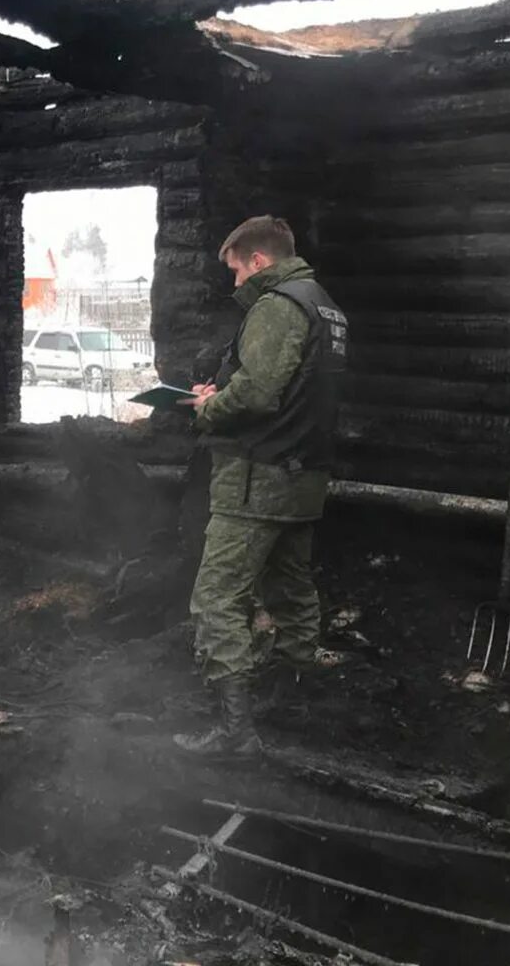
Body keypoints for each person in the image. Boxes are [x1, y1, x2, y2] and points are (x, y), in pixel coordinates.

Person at [174, 215, 348, 757]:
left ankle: (235, 733)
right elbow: (292, 389)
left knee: (216, 598)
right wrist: (223, 389)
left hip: (258, 479)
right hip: (303, 477)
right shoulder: (325, 307)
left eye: (235, 270)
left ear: (258, 261)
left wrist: (208, 407)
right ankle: (300, 711)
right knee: (291, 588)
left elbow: (258, 394)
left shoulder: (278, 306)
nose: (233, 285)